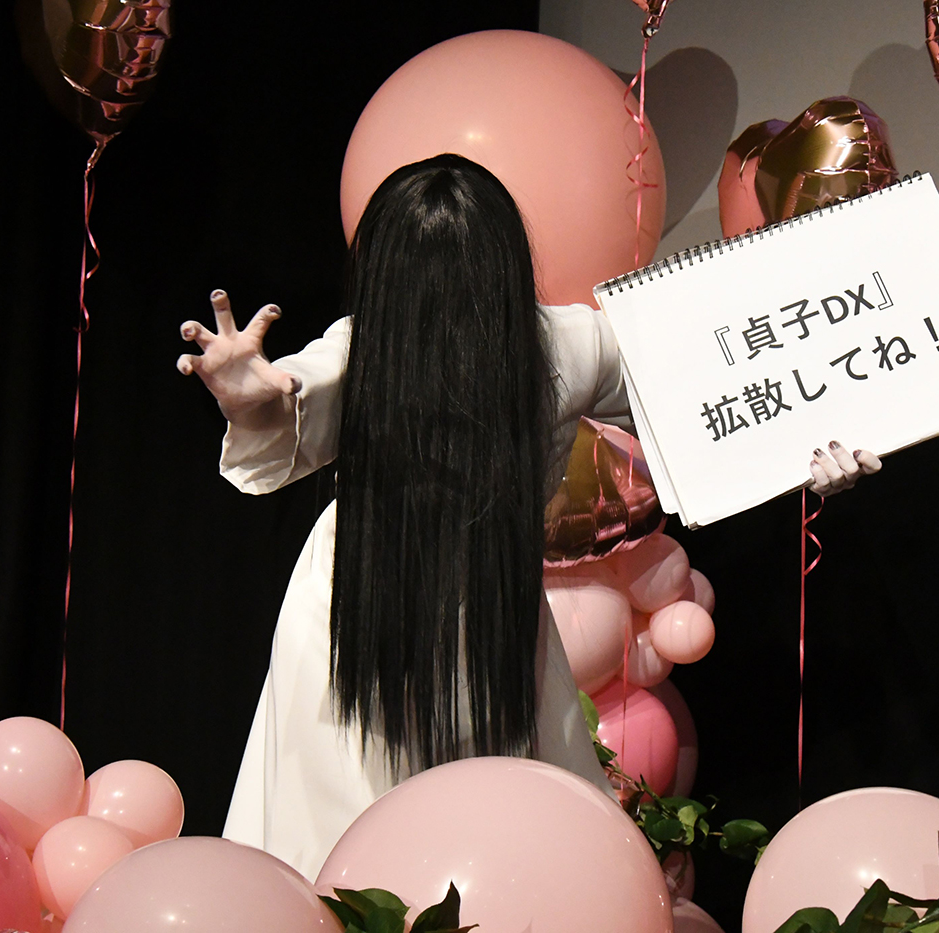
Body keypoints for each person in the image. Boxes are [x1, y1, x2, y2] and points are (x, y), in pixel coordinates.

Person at [176, 154, 880, 878]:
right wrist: (254, 400)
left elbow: (701, 400)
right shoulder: (363, 351)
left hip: (496, 614)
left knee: (521, 841)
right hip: (362, 606)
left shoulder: (567, 344)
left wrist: (810, 449)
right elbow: (291, 405)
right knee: (338, 830)